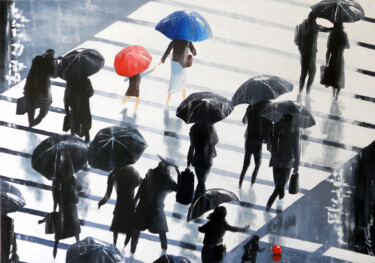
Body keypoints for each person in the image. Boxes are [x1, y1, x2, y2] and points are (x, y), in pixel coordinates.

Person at [130, 161, 178, 256]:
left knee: (136, 229)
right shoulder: (167, 180)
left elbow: (140, 190)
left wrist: (134, 203)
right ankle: (164, 252)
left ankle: (132, 252)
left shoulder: (150, 174)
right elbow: (178, 188)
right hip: (156, 209)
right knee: (162, 232)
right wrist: (178, 173)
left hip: (143, 208)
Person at [98, 165, 142, 247]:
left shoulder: (113, 175)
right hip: (130, 204)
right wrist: (135, 201)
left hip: (120, 205)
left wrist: (103, 201)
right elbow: (141, 184)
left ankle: (115, 245)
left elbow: (108, 194)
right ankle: (125, 246)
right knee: (129, 228)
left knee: (116, 228)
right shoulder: (133, 172)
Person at [266, 114, 300, 209]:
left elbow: (269, 143)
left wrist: (271, 148)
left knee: (278, 184)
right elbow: (297, 149)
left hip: (276, 160)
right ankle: (274, 202)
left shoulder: (276, 125)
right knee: (279, 186)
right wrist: (296, 166)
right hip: (286, 161)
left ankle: (269, 203)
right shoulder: (295, 129)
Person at [294, 11, 332, 95]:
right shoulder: (315, 26)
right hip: (311, 53)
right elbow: (325, 29)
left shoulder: (300, 26)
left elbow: (296, 42)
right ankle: (307, 92)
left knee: (303, 73)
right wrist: (334, 28)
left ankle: (300, 91)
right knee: (312, 73)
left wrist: (301, 46)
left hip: (303, 53)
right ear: (314, 18)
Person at [51, 162, 83, 258]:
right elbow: (80, 188)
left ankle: (55, 249)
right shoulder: (70, 179)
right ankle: (79, 249)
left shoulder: (56, 181)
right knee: (75, 230)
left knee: (60, 231)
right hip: (72, 208)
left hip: (63, 209)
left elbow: (55, 199)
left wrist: (54, 211)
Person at [239, 101, 272, 189]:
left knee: (246, 163)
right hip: (258, 139)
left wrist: (248, 111)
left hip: (249, 138)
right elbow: (268, 126)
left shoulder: (251, 107)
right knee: (257, 163)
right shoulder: (265, 109)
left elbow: (244, 121)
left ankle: (240, 182)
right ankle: (252, 183)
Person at [23, 49, 57, 127]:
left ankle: (31, 122)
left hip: (32, 85)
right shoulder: (50, 63)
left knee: (31, 105)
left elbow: (32, 70)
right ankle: (34, 122)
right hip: (44, 88)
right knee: (44, 107)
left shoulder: (37, 59)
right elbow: (54, 75)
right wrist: (55, 63)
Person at [159, 39, 197, 105]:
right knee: (182, 81)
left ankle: (167, 102)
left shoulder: (175, 40)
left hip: (174, 64)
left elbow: (168, 51)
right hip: (183, 64)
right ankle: (184, 101)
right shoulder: (187, 41)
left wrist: (162, 60)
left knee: (173, 81)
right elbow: (194, 53)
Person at [187, 123, 218, 202]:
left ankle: (197, 202)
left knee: (201, 182)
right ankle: (199, 202)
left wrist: (189, 159)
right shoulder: (211, 127)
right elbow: (216, 140)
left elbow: (192, 146)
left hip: (198, 159)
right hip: (208, 158)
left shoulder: (194, 128)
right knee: (202, 182)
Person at [63, 76, 94, 142]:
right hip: (84, 108)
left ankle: (73, 141)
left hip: (74, 108)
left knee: (74, 127)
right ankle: (86, 141)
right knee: (85, 127)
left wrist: (67, 110)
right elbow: (91, 93)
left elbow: (66, 96)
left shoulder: (70, 81)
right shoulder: (86, 80)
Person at [325, 22, 350, 100]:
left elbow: (328, 49)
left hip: (333, 58)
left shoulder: (332, 34)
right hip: (340, 58)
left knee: (333, 76)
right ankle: (337, 97)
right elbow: (348, 46)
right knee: (339, 76)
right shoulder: (344, 34)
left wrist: (327, 61)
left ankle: (333, 95)